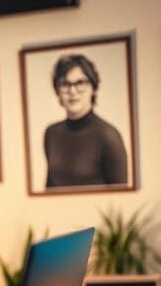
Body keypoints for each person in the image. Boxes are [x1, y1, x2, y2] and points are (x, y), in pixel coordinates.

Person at [43, 54, 128, 189]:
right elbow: (50, 190)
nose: (72, 91)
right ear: (57, 91)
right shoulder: (51, 133)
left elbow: (121, 199)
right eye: (65, 84)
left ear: (93, 89)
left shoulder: (108, 135)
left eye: (80, 83)